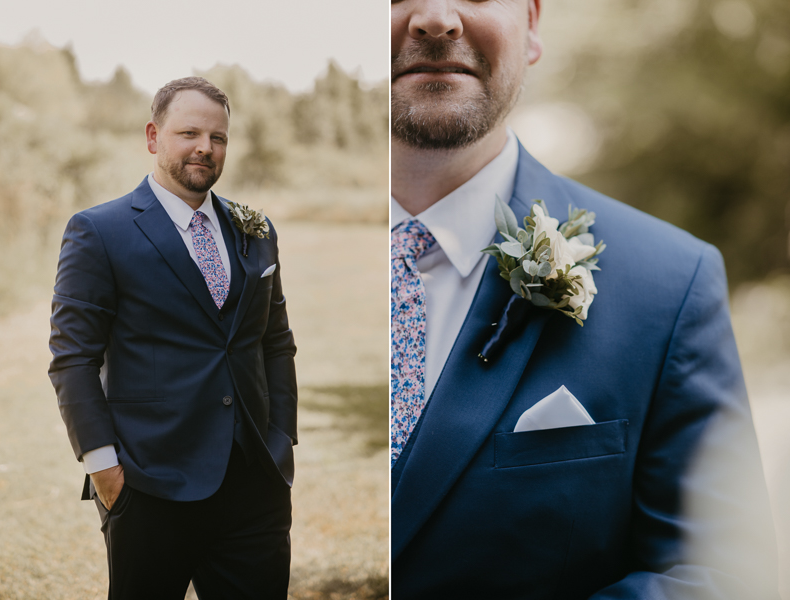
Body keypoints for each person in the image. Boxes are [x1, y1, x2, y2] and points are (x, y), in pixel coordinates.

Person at [390, 1, 779, 598]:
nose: (436, 17)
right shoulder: (256, 269)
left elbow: (722, 575)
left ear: (533, 23)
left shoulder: (671, 284)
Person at [48, 77, 297, 599]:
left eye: (218, 137)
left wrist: (281, 442)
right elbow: (73, 359)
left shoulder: (256, 230)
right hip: (147, 484)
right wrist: (104, 471)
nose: (205, 147)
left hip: (253, 485)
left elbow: (275, 343)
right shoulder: (99, 231)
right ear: (153, 136)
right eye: (189, 133)